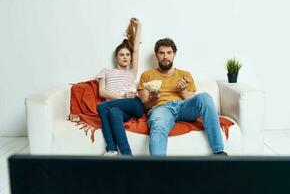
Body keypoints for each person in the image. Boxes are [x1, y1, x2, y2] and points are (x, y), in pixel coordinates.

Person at [137, 38, 227, 156]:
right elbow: (144, 104)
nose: (165, 57)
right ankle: (158, 169)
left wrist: (183, 91)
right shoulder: (146, 75)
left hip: (183, 107)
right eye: (161, 53)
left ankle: (219, 153)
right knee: (158, 125)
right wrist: (153, 98)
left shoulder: (185, 75)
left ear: (174, 54)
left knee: (205, 97)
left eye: (169, 53)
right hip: (161, 109)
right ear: (156, 55)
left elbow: (194, 101)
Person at [70, 18, 144, 156]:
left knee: (103, 107)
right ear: (116, 58)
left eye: (127, 55)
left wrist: (138, 27)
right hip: (118, 107)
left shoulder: (131, 73)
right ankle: (127, 155)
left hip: (133, 104)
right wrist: (121, 96)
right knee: (113, 111)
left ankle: (110, 148)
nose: (125, 57)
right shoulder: (106, 71)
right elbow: (102, 92)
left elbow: (136, 50)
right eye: (122, 55)